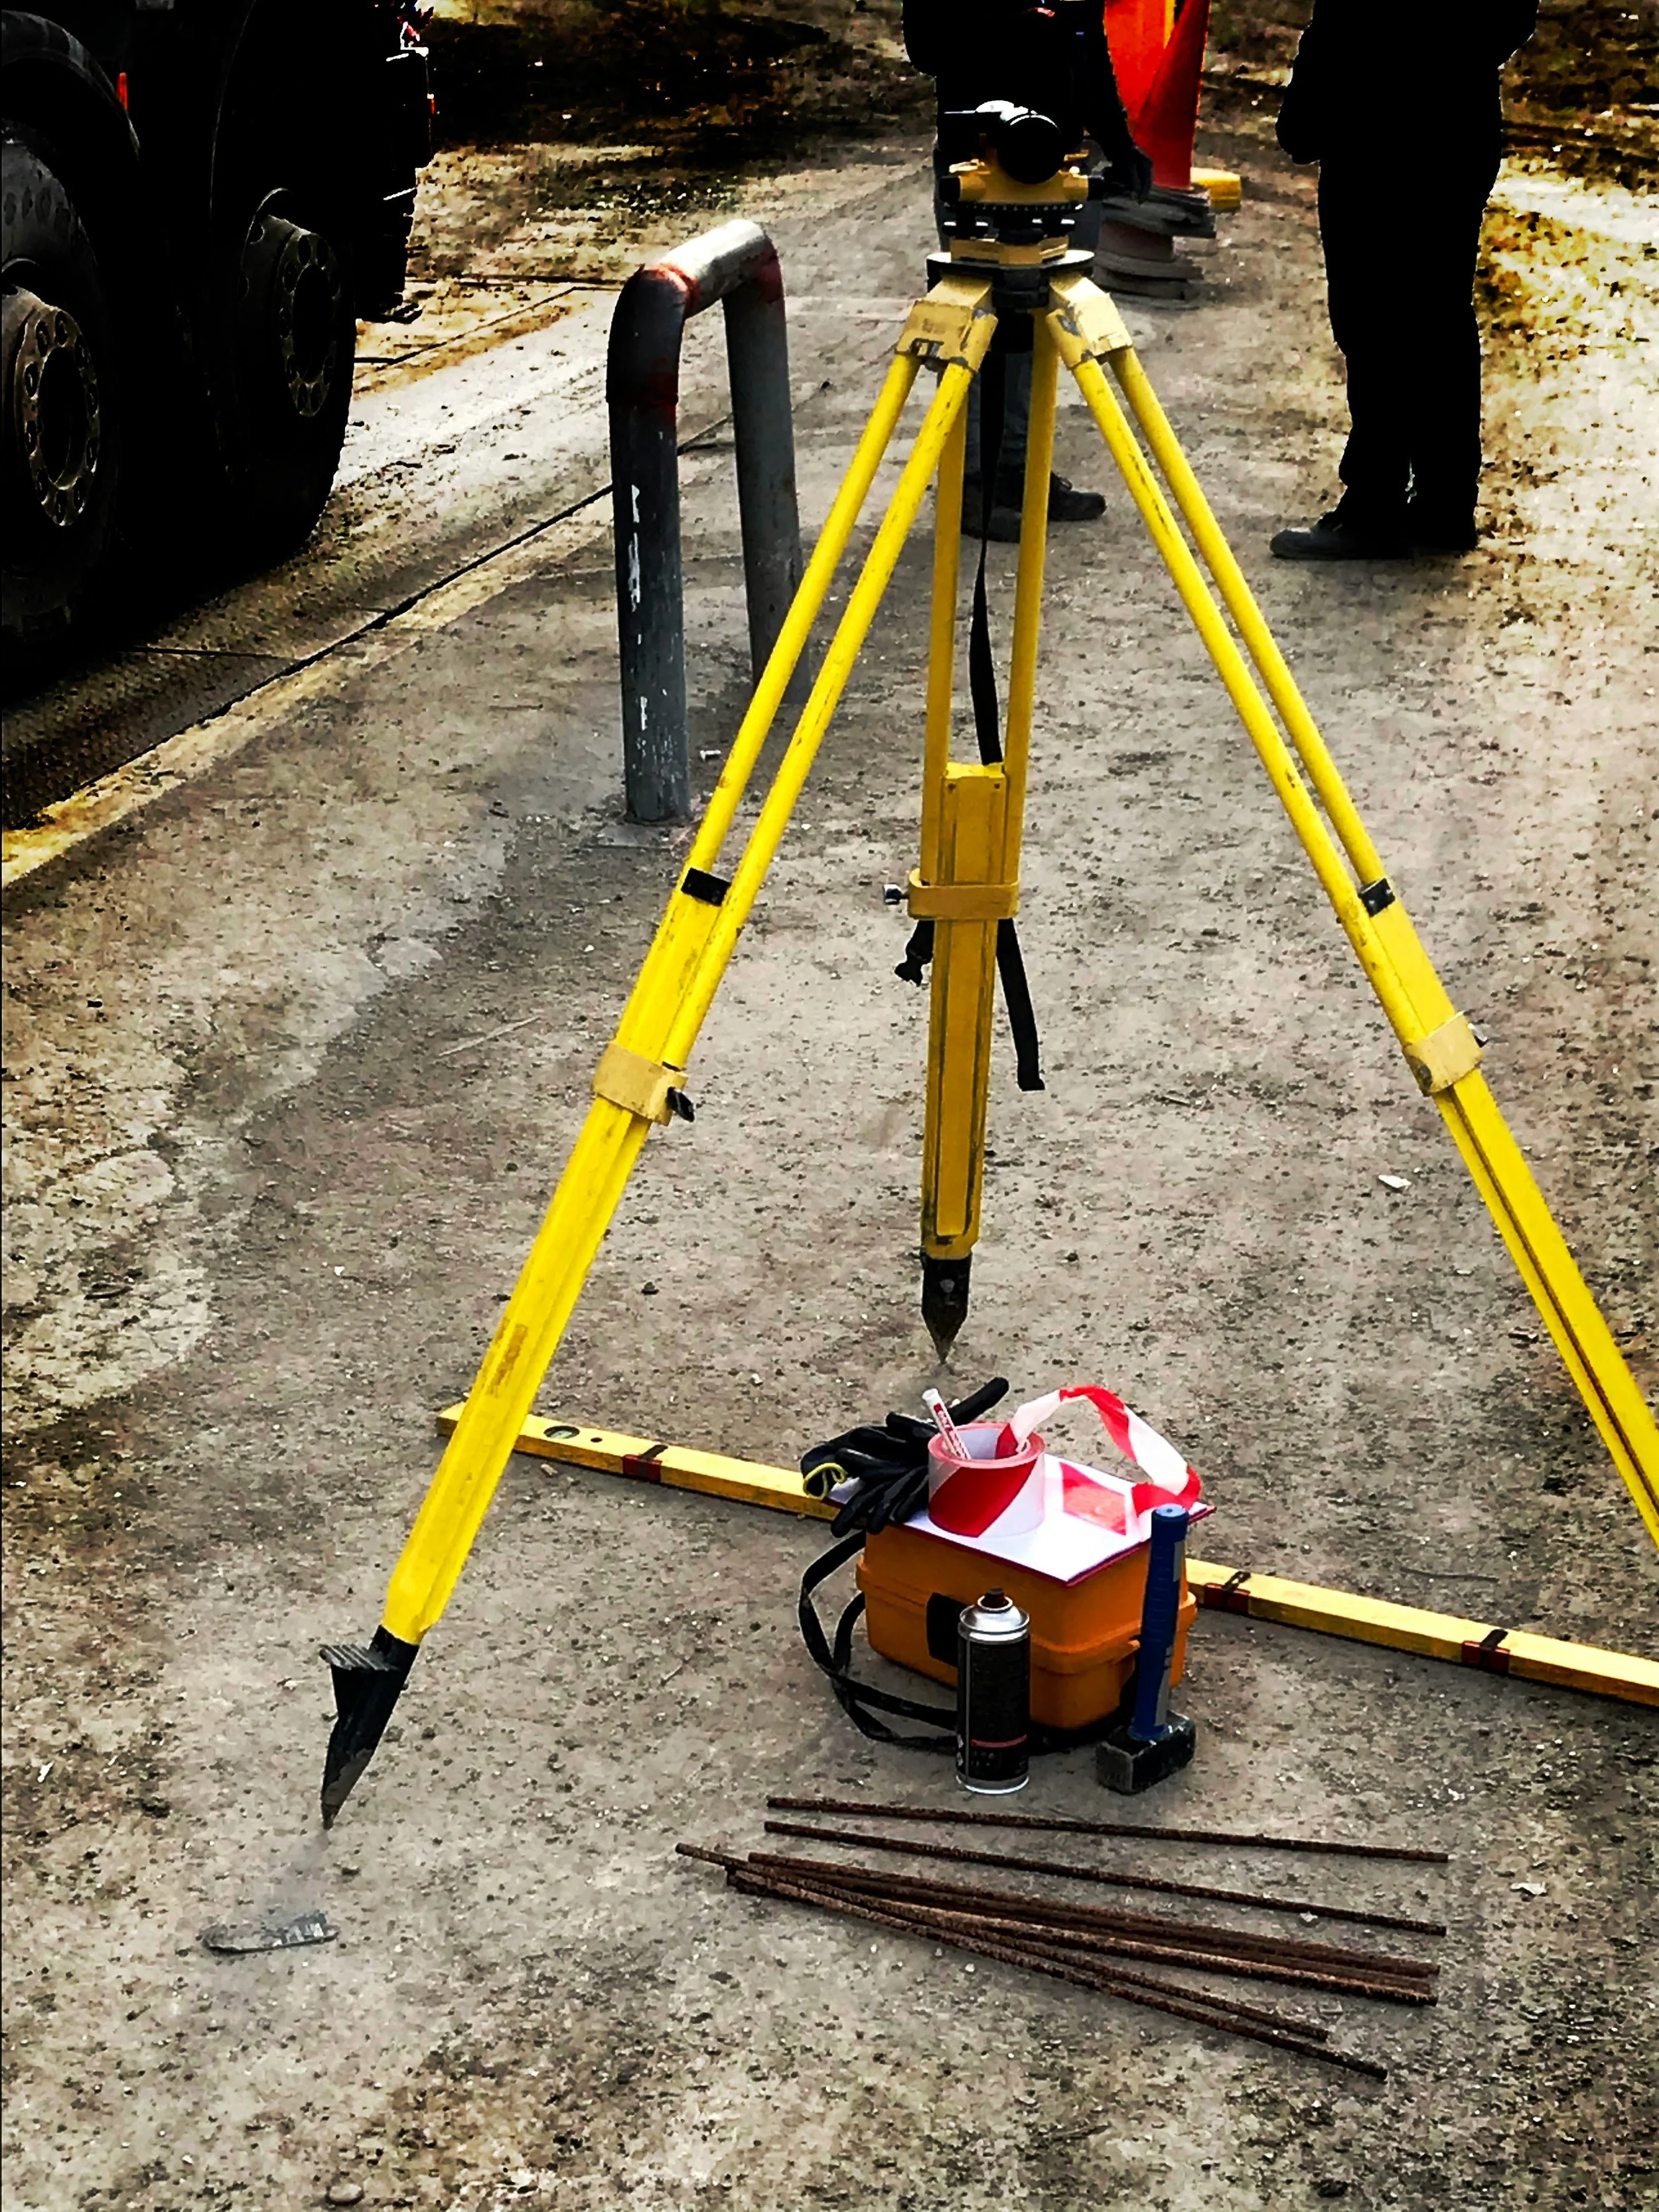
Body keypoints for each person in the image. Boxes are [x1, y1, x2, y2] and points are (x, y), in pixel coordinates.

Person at [1271, 0, 1539, 560]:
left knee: (1375, 318)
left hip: (1376, 127)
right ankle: (1442, 503)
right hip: (1451, 124)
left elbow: (1347, 21)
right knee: (1436, 315)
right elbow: (1510, 16)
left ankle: (1376, 503)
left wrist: (1314, 106)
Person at [902, 0, 1152, 540]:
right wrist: (1018, 15)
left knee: (1038, 335)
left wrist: (1117, 140)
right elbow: (927, 47)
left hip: (1060, 166)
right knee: (984, 334)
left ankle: (1019, 473)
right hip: (981, 168)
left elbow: (1090, 47)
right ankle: (973, 484)